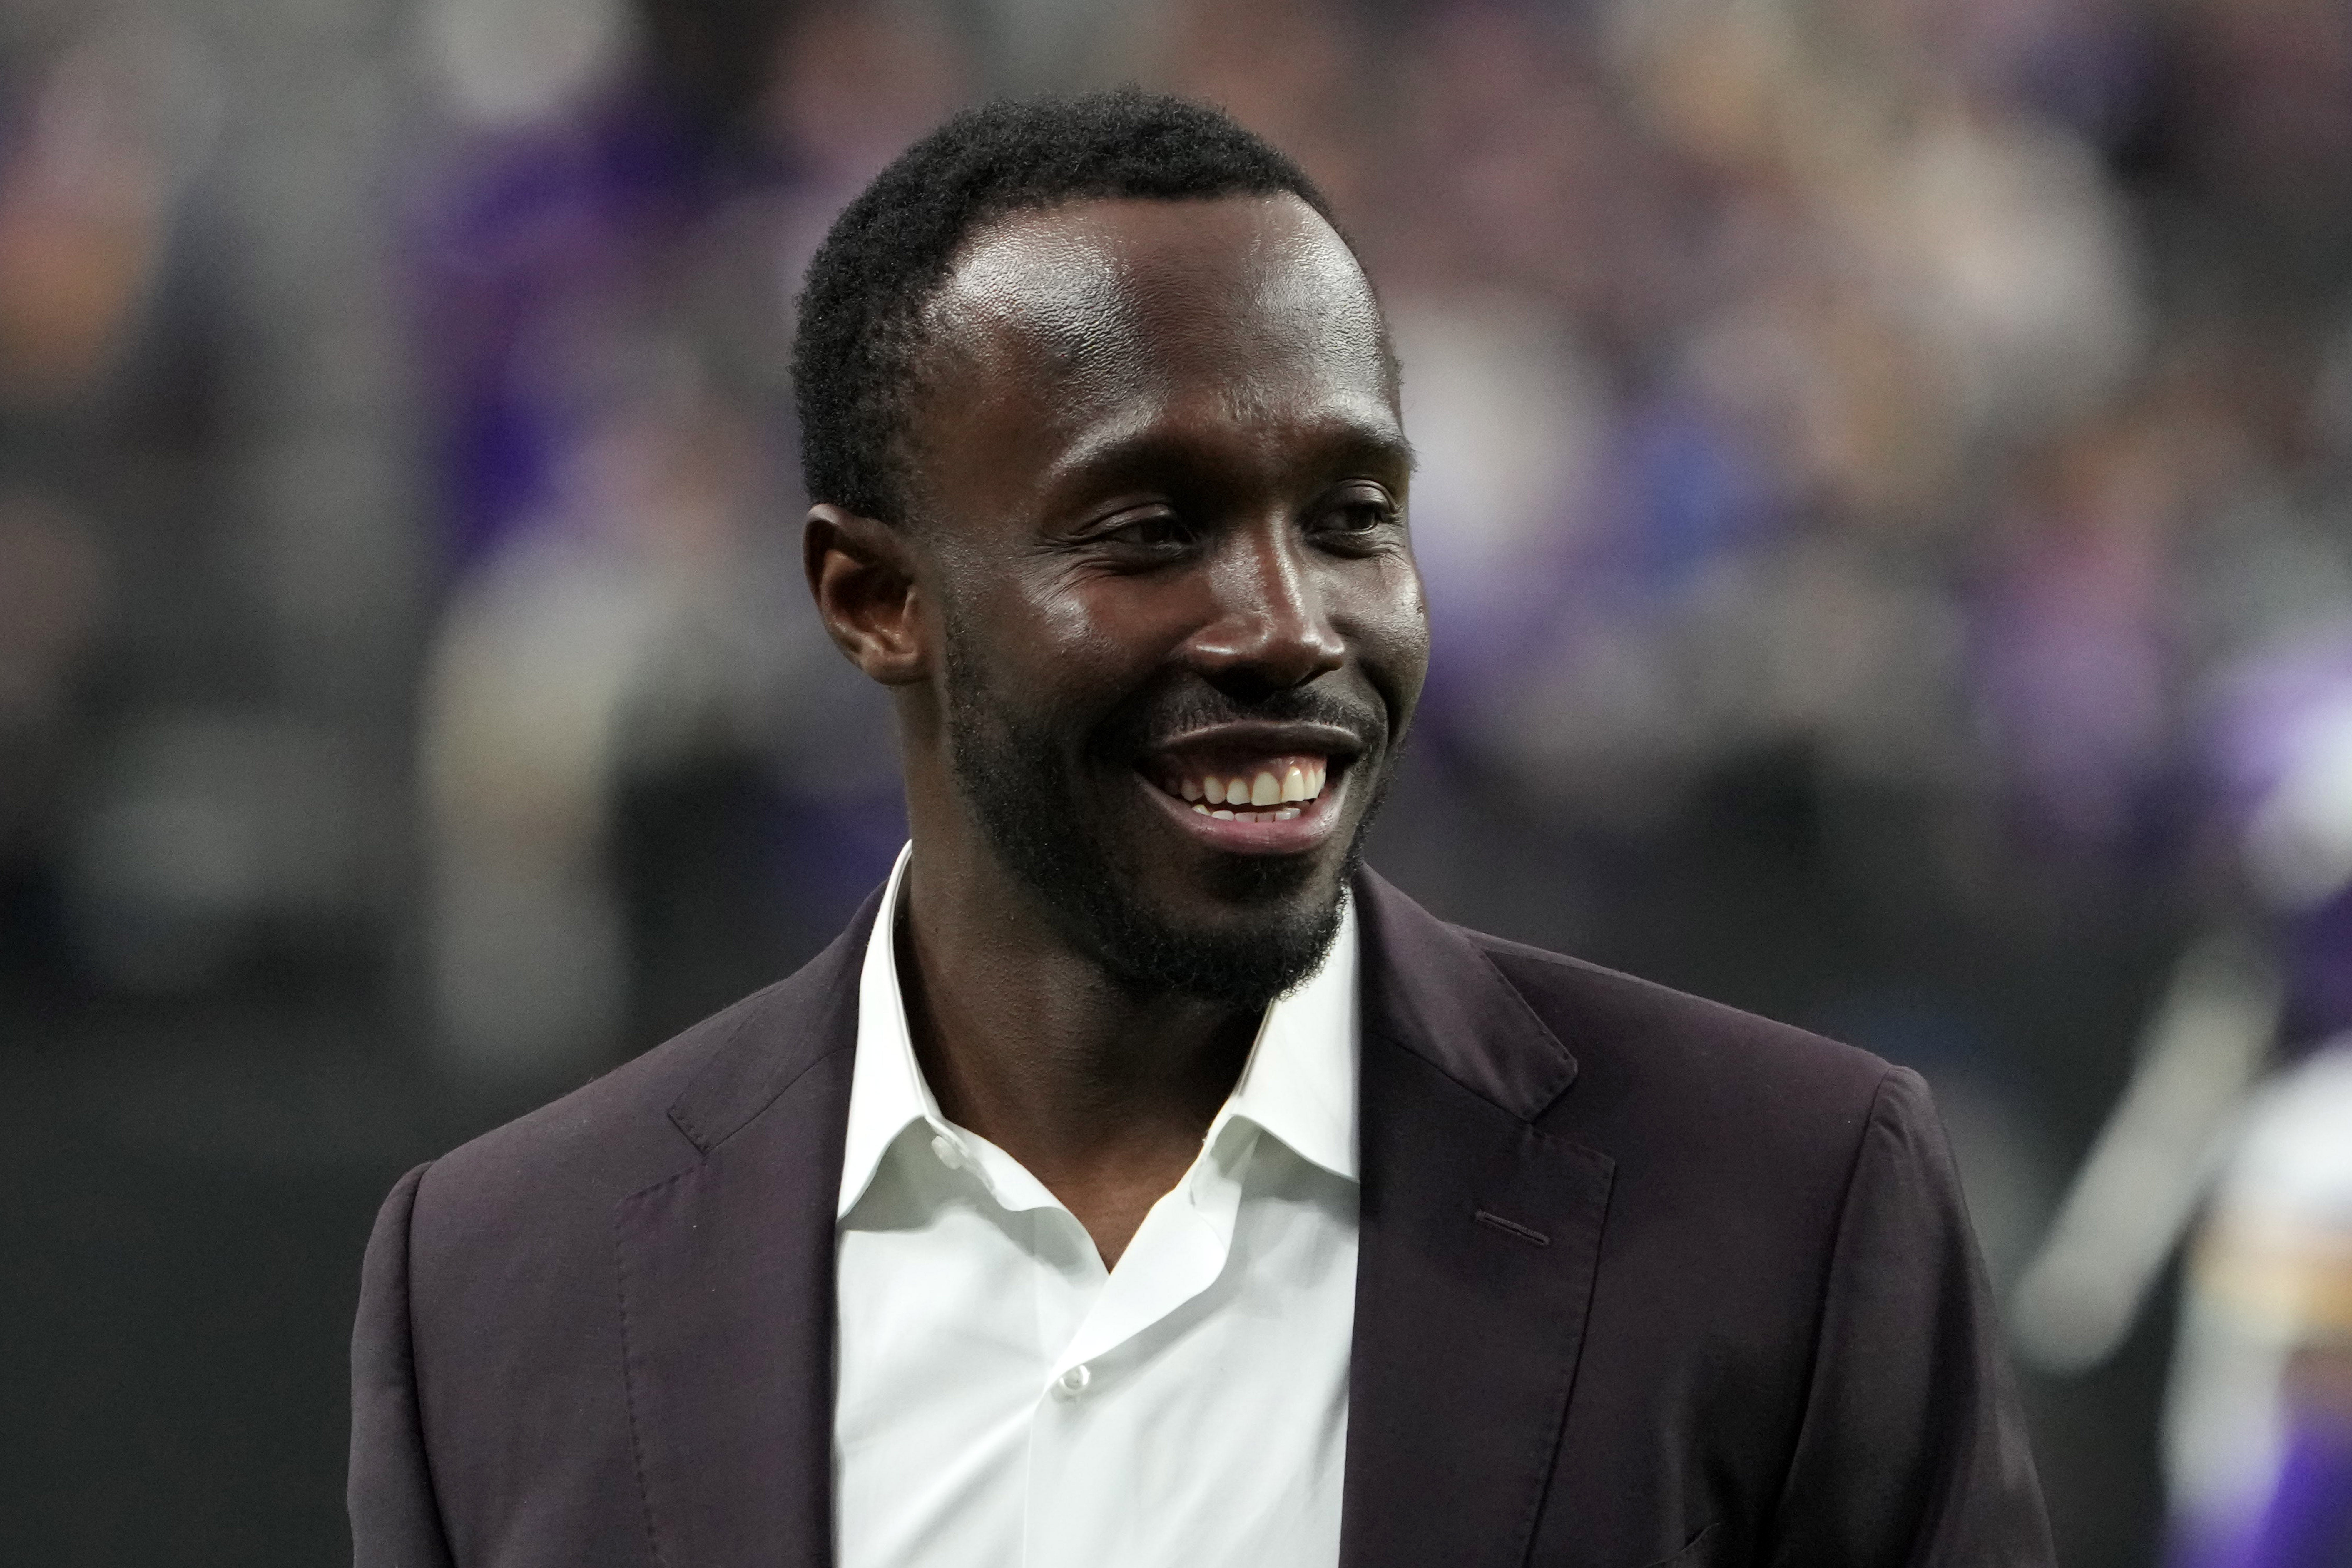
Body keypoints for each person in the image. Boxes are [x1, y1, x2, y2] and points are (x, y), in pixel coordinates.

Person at [349, 92, 2054, 1568]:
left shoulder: (1788, 1202)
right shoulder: (504, 1283)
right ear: (872, 597)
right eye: (1151, 527)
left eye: (1349, 519)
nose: (1286, 624)